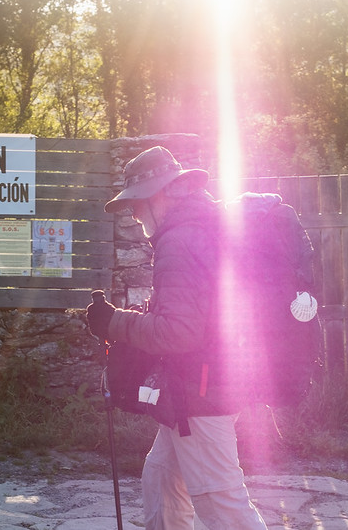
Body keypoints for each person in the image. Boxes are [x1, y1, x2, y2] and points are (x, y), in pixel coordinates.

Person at [86, 146, 269, 530]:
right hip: (201, 387)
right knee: (162, 481)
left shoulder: (181, 241)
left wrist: (114, 322)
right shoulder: (202, 227)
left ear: (162, 194)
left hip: (202, 394)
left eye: (137, 203)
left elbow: (179, 332)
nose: (134, 214)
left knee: (222, 507)